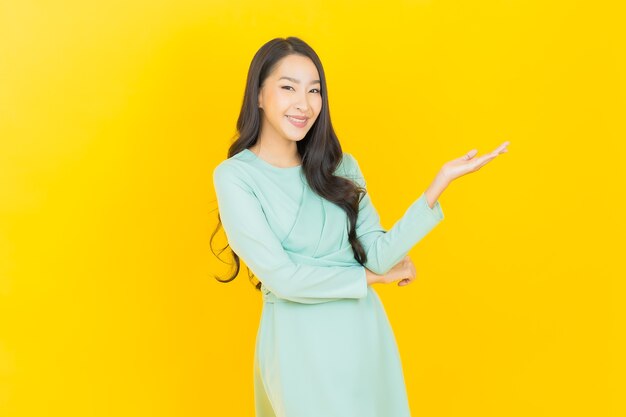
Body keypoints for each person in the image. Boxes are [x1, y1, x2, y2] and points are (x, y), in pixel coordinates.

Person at [211, 36, 509, 417]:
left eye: (314, 90)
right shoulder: (236, 177)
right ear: (258, 95)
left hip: (363, 334)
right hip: (296, 344)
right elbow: (283, 278)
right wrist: (369, 280)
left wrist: (437, 188)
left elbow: (379, 256)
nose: (304, 103)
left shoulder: (341, 167)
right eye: (288, 88)